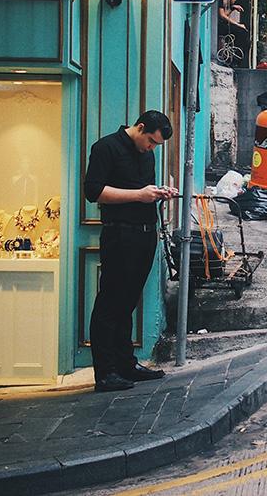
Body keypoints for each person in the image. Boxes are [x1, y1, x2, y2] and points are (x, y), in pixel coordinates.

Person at [84, 111, 178, 392]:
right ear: (139, 127)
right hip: (119, 234)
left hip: (145, 235)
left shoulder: (146, 154)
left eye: (156, 145)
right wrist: (140, 195)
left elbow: (142, 190)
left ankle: (126, 363)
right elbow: (94, 191)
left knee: (128, 301)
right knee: (110, 302)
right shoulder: (105, 147)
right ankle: (105, 372)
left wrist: (159, 193)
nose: (151, 148)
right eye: (150, 141)